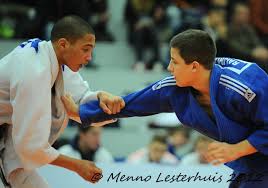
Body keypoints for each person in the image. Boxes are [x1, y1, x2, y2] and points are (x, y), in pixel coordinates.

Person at [63, 29, 268, 187]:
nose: (169, 68)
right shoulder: (175, 88)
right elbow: (130, 104)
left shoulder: (244, 85)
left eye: (174, 62)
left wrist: (235, 150)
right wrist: (81, 114)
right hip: (250, 165)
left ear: (194, 66)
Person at [0, 15, 125, 187]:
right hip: (12, 141)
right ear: (64, 44)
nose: (89, 57)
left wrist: (101, 96)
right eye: (85, 49)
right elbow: (30, 148)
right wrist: (77, 165)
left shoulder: (52, 56)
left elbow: (81, 97)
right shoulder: (34, 73)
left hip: (9, 136)